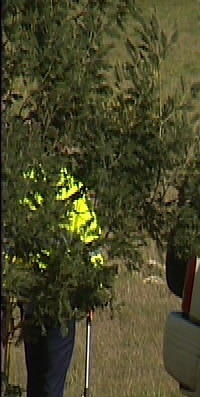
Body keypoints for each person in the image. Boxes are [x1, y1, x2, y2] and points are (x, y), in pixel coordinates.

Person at [13, 166, 104, 397]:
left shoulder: (26, 185)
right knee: (52, 380)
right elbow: (90, 243)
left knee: (35, 374)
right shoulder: (73, 189)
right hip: (61, 297)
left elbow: (13, 241)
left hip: (30, 293)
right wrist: (93, 289)